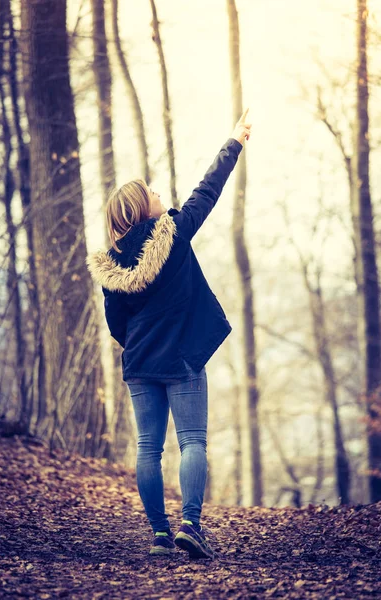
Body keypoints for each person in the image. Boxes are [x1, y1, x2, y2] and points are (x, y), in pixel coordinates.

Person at [86, 108, 252, 559]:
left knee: (148, 449)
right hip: (182, 359)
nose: (161, 195)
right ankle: (191, 526)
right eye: (153, 193)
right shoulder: (174, 233)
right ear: (144, 208)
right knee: (192, 442)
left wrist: (140, 346)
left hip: (141, 364)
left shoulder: (112, 265)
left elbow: (115, 323)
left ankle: (159, 534)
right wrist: (234, 141)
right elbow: (207, 191)